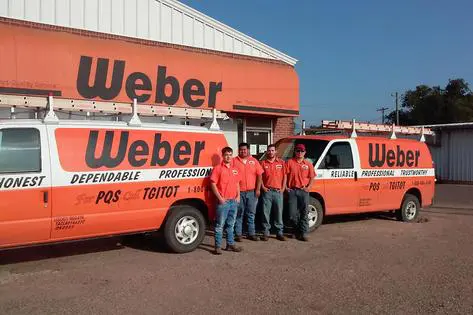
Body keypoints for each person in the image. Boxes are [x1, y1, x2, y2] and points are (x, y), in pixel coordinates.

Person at [209, 147, 242, 255]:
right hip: (224, 202)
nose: (228, 156)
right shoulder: (217, 168)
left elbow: (237, 183)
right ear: (223, 156)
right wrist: (220, 198)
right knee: (220, 225)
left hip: (233, 201)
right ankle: (217, 247)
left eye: (230, 154)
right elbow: (213, 184)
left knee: (231, 225)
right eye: (226, 154)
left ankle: (230, 244)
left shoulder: (235, 169)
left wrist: (238, 196)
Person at [233, 142, 264, 241]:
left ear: (248, 150)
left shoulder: (254, 161)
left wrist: (258, 189)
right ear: (238, 150)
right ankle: (238, 234)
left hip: (252, 192)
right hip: (239, 193)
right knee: (239, 213)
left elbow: (260, 175)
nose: (243, 151)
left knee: (251, 213)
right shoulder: (234, 161)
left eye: (244, 149)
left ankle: (251, 233)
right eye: (241, 149)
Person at [285, 143, 315, 241]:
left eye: (302, 151)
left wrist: (308, 187)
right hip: (292, 191)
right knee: (292, 214)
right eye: (298, 151)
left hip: (303, 191)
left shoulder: (308, 164)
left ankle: (304, 233)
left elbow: (312, 177)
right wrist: (285, 187)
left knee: (304, 212)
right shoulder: (289, 162)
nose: (300, 153)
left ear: (305, 152)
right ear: (295, 152)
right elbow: (285, 175)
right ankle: (296, 231)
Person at [260, 144, 286, 241]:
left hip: (278, 192)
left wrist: (283, 188)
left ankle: (279, 232)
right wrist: (263, 187)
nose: (271, 152)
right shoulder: (263, 163)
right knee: (265, 213)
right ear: (267, 152)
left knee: (279, 212)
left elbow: (285, 176)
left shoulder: (282, 163)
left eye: (272, 150)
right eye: (269, 150)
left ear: (276, 152)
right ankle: (266, 232)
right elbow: (260, 177)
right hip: (267, 191)